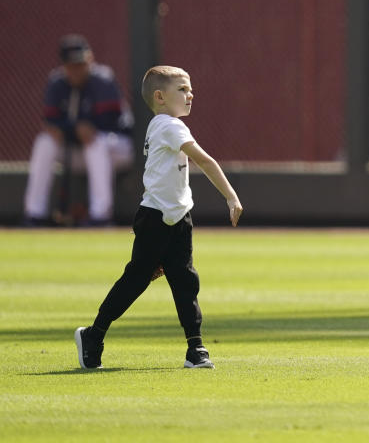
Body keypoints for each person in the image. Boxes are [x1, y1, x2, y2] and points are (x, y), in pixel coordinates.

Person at [74, 65, 243, 370]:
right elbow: (204, 159)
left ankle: (196, 348)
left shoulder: (160, 124)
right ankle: (93, 334)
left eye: (190, 89)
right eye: (182, 89)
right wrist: (231, 195)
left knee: (185, 281)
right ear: (160, 97)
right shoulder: (169, 126)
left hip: (177, 218)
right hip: (155, 218)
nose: (190, 94)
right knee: (136, 280)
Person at [23, 34, 134, 226]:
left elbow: (102, 126)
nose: (78, 69)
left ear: (90, 59)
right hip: (80, 149)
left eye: (81, 63)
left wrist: (69, 129)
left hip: (117, 147)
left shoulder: (103, 80)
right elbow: (50, 124)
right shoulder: (57, 83)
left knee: (96, 142)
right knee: (44, 142)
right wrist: (73, 129)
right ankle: (34, 214)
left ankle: (100, 216)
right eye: (72, 65)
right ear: (63, 66)